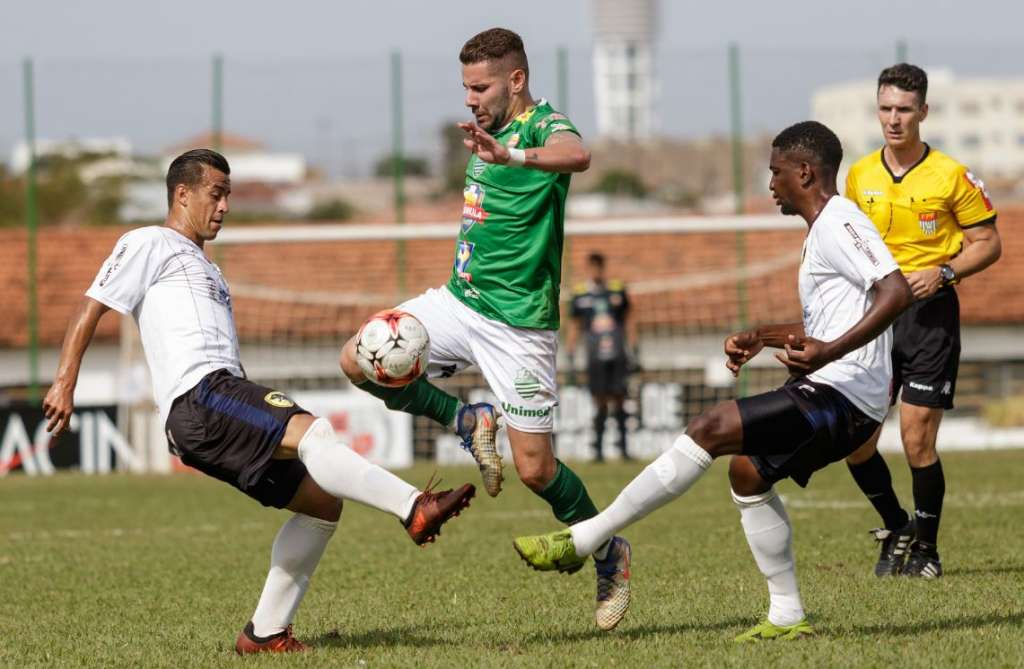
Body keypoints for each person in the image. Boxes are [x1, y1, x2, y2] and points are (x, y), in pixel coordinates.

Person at [42, 149, 476, 655]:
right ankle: (413, 508)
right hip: (200, 395)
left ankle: (264, 633)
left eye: (228, 195)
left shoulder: (210, 270)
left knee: (321, 505)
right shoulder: (149, 242)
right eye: (216, 193)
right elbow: (93, 302)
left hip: (211, 405)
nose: (225, 206)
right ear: (182, 194)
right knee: (313, 432)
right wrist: (64, 381)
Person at [513, 121, 913, 641]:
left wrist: (828, 352)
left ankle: (589, 537)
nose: (770, 184)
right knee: (747, 476)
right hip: (834, 390)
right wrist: (765, 335)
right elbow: (826, 326)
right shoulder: (821, 233)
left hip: (845, 395)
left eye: (775, 173)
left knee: (710, 427)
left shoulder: (840, 221)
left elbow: (897, 291)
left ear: (805, 172)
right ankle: (788, 615)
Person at [338, 27, 631, 632]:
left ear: (516, 81)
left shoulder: (542, 128)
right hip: (457, 301)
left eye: (481, 87)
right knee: (355, 358)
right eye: (465, 88)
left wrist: (514, 156)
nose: (469, 99)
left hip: (519, 327)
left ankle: (608, 551)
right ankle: (465, 420)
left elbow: (580, 155)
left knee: (535, 471)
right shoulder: (481, 135)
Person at [843, 63, 1002, 579]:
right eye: (886, 108)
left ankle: (927, 552)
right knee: (856, 441)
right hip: (874, 316)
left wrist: (946, 272)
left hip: (930, 318)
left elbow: (989, 243)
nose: (894, 119)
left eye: (905, 110)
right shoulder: (860, 175)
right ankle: (895, 526)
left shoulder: (951, 175)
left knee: (916, 439)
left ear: (924, 112)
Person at [568, 252, 636, 461]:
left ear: (603, 268)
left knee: (619, 399)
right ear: (588, 268)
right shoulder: (580, 295)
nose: (595, 271)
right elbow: (574, 325)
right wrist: (570, 352)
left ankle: (624, 449)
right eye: (592, 267)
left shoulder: (616, 290)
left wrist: (634, 347)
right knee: (599, 401)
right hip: (595, 356)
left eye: (599, 267)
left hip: (617, 354)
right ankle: (597, 451)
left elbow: (630, 318)